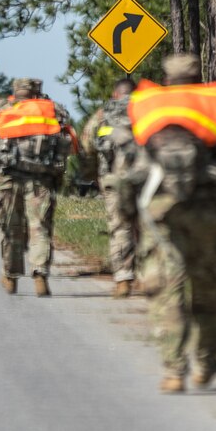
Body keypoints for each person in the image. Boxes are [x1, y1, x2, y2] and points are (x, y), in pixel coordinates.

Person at [121, 53, 216, 393]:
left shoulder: (145, 104)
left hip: (161, 209)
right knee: (207, 285)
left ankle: (174, 369)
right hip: (206, 206)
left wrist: (129, 211)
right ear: (197, 75)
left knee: (167, 287)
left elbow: (127, 159)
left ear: (166, 76)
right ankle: (206, 363)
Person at [0, 78, 78, 297]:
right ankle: (40, 273)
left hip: (9, 178)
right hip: (42, 179)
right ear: (38, 91)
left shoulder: (1, 112)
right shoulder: (52, 110)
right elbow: (72, 144)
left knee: (12, 226)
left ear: (15, 91)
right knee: (39, 226)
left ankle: (10, 275)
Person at [79, 78, 138, 298]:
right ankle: (150, 276)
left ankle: (123, 278)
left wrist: (92, 174)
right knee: (148, 226)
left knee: (120, 226)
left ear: (115, 94)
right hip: (146, 178)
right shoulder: (148, 108)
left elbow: (87, 141)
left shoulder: (105, 112)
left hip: (113, 178)